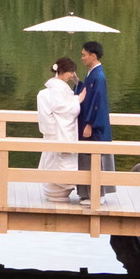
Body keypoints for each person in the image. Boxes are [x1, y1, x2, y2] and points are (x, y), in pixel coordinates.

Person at [34, 57, 81, 202]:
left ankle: (55, 190)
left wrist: (77, 84)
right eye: (70, 72)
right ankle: (57, 190)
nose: (71, 75)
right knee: (59, 160)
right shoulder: (57, 90)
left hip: (52, 131)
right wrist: (78, 99)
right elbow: (65, 110)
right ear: (63, 71)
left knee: (52, 159)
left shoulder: (50, 90)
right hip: (60, 132)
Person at [74, 40, 113, 197]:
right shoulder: (93, 74)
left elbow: (98, 103)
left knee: (94, 159)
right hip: (88, 122)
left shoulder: (98, 76)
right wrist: (77, 82)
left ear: (93, 56)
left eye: (84, 55)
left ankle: (97, 195)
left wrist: (90, 123)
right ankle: (88, 194)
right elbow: (87, 92)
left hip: (94, 126)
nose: (82, 58)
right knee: (86, 158)